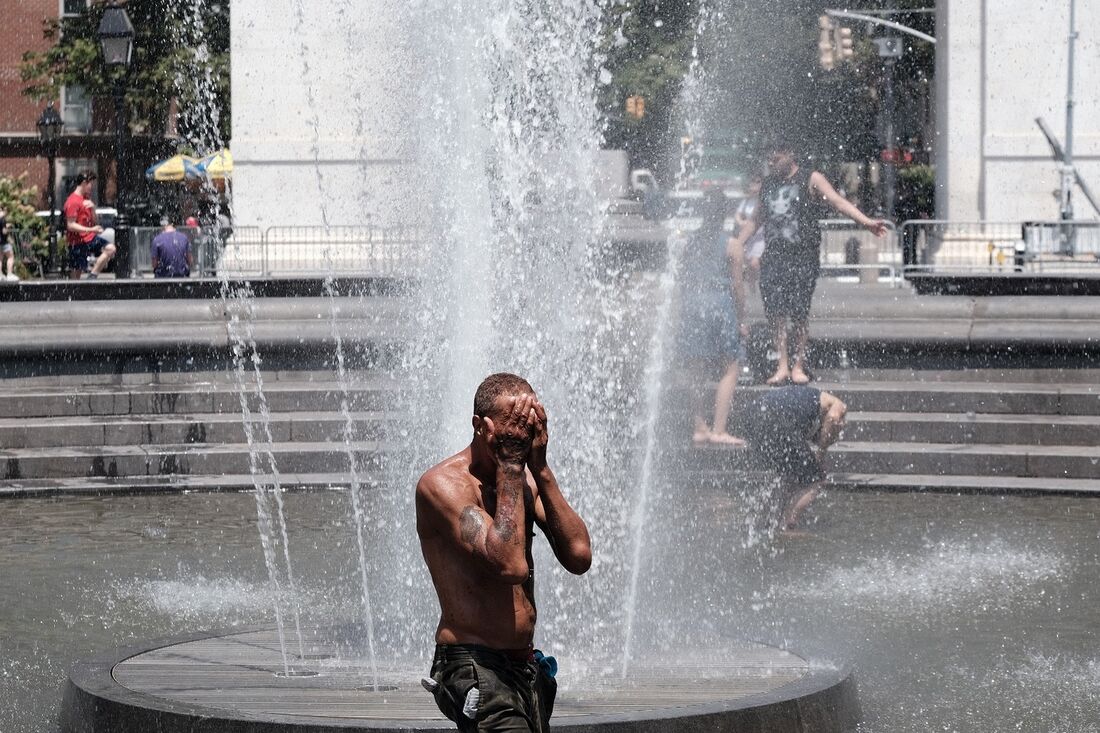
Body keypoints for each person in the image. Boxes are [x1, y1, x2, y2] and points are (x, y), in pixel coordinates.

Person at [416, 373, 591, 732]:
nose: (520, 439)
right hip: (473, 664)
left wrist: (540, 469)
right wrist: (512, 466)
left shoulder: (524, 481)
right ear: (480, 427)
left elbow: (579, 556)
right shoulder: (443, 486)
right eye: (512, 430)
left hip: (523, 665)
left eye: (528, 428)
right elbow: (510, 565)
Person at [731, 139, 887, 386]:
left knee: (799, 312)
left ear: (790, 152)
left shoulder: (810, 178)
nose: (771, 159)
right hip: (774, 256)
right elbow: (756, 218)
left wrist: (865, 222)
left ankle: (799, 365)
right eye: (769, 154)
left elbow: (838, 202)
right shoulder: (768, 183)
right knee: (776, 312)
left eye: (776, 153)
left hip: (803, 256)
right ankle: (782, 365)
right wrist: (737, 244)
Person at [678, 188, 747, 445]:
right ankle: (718, 430)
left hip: (693, 305)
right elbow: (738, 288)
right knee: (729, 366)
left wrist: (680, 313)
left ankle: (699, 426)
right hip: (720, 306)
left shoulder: (689, 243)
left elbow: (682, 281)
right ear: (725, 214)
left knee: (696, 368)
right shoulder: (732, 245)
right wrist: (740, 319)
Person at [747, 385, 847, 531]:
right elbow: (833, 418)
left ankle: (767, 520)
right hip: (776, 418)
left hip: (754, 416)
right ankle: (788, 525)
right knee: (816, 480)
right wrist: (821, 452)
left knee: (789, 476)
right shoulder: (839, 405)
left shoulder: (808, 401)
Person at [63, 171, 115, 280]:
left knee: (110, 248)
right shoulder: (72, 201)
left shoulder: (86, 199)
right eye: (90, 184)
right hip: (77, 242)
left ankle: (92, 275)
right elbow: (70, 225)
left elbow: (95, 221)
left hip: (89, 238)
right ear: (83, 183)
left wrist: (93, 209)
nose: (92, 187)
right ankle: (73, 294)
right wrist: (91, 229)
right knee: (76, 275)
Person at [733, 172, 765, 294]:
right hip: (748, 236)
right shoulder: (747, 200)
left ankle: (760, 284)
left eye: (758, 182)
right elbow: (738, 214)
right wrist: (741, 222)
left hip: (760, 236)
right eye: (753, 182)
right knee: (748, 263)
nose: (755, 185)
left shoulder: (762, 200)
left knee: (754, 262)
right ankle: (752, 286)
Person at [0, 207, 16, 281]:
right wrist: (8, 230)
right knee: (10, 257)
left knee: (0, 258)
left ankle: (0, 275)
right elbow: (3, 232)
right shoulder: (2, 219)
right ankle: (9, 274)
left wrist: (6, 225)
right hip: (4, 242)